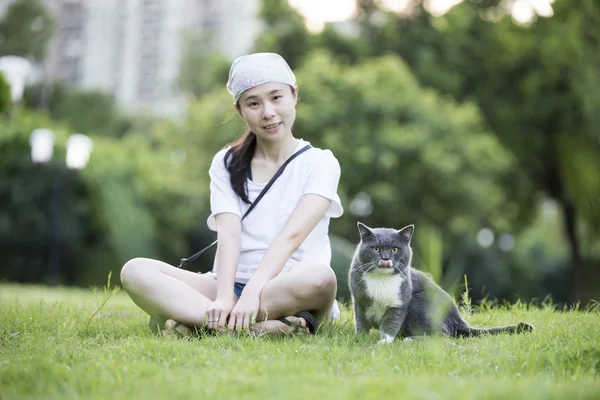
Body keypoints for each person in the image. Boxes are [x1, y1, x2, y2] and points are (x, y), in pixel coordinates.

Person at [120, 52, 343, 336]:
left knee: (321, 277)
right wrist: (225, 295)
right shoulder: (226, 162)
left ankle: (199, 323)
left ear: (294, 95)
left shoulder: (321, 162)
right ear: (240, 111)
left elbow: (292, 236)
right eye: (254, 103)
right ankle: (261, 328)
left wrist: (253, 292)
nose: (268, 112)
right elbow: (228, 235)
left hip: (287, 288)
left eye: (276, 98)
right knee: (136, 271)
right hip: (229, 285)